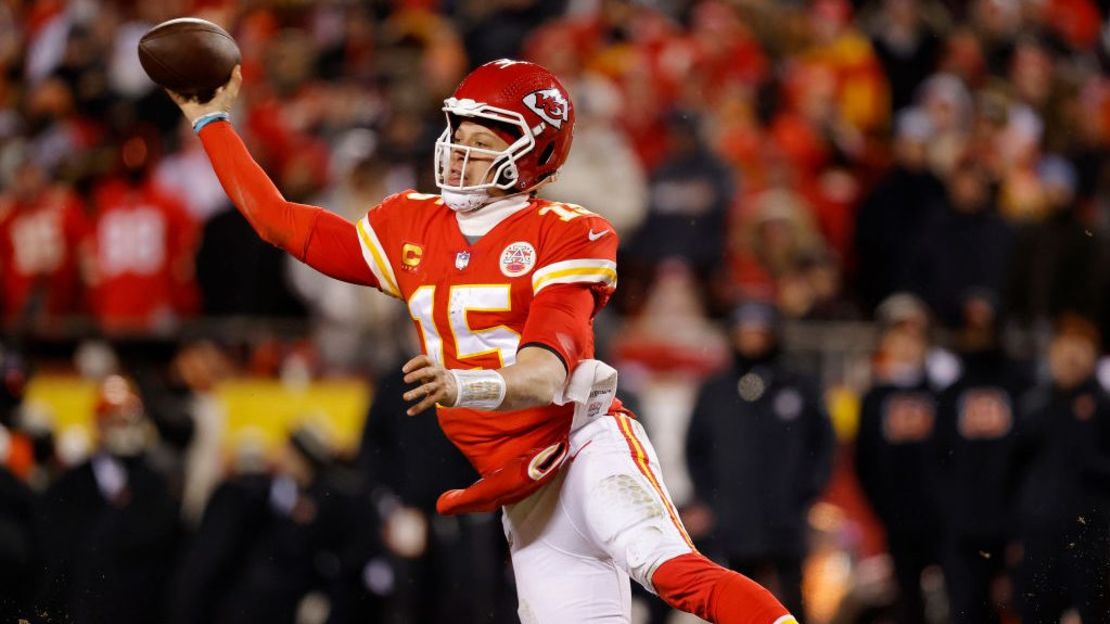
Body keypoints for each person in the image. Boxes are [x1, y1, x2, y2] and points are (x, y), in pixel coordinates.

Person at [168, 59, 796, 624]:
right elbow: (278, 220)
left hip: (580, 446)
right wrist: (212, 122)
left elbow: (548, 371)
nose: (458, 152)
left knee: (667, 571)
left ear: (536, 152)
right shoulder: (410, 223)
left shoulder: (567, 233)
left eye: (482, 138)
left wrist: (465, 384)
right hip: (522, 492)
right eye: (457, 134)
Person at [685, 301, 836, 619]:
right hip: (734, 519)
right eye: (745, 332)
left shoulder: (799, 385)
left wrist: (805, 493)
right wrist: (714, 501)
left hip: (786, 517)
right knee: (737, 599)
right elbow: (695, 450)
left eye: (759, 332)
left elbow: (823, 445)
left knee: (792, 599)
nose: (752, 339)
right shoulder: (716, 390)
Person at [1012, 315, 1110, 623]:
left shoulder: (1103, 407)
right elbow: (1012, 472)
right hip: (1038, 538)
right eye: (1065, 345)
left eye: (1081, 346)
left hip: (1090, 539)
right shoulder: (1033, 406)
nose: (1071, 355)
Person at [854, 294, 944, 624]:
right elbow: (865, 460)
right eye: (899, 336)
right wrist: (884, 508)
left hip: (942, 517)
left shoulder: (942, 393)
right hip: (897, 518)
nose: (907, 345)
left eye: (914, 336)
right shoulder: (874, 397)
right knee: (908, 600)